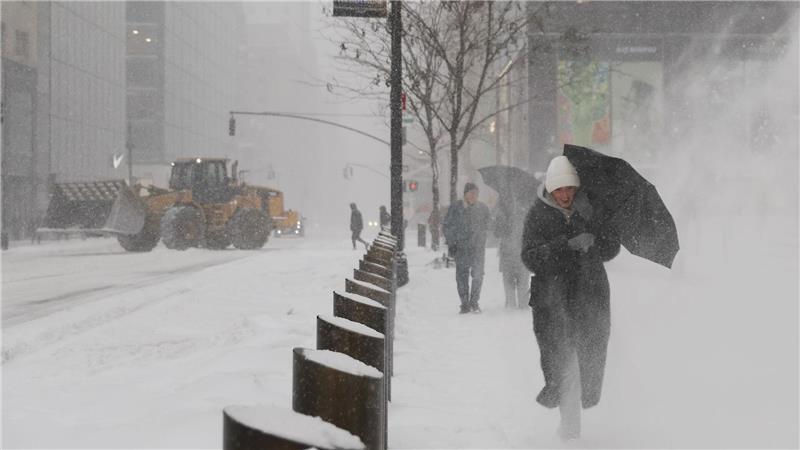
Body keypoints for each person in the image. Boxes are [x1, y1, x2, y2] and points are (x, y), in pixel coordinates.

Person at [520, 155, 620, 440]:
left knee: (585, 363)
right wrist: (566, 245)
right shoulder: (537, 215)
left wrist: (597, 235)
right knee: (562, 366)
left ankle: (571, 427)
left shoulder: (589, 210)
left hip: (589, 298)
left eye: (570, 189)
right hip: (552, 303)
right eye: (559, 190)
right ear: (550, 189)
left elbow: (611, 250)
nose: (565, 195)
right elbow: (530, 257)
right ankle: (570, 430)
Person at [443, 182, 491, 314]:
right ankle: (464, 303)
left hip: (478, 248)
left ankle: (474, 302)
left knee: (478, 275)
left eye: (476, 193)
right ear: (465, 194)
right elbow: (447, 226)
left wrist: (484, 234)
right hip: (461, 248)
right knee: (462, 276)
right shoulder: (456, 208)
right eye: (471, 193)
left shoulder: (483, 208)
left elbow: (489, 225)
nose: (474, 195)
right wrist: (452, 242)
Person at [494, 200, 531, 309]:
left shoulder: (526, 213)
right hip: (507, 251)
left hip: (521, 251)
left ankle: (521, 304)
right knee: (509, 279)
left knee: (522, 279)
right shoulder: (502, 214)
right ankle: (512, 305)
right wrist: (501, 222)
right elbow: (497, 233)